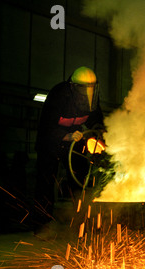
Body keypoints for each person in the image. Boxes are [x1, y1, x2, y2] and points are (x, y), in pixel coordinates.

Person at [34, 66, 104, 234]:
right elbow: (46, 126)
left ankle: (82, 222)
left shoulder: (92, 100)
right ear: (73, 87)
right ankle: (42, 225)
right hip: (50, 144)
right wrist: (66, 136)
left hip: (75, 141)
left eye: (91, 89)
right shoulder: (58, 95)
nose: (88, 93)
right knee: (46, 183)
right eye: (84, 89)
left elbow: (98, 122)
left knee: (81, 179)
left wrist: (96, 138)